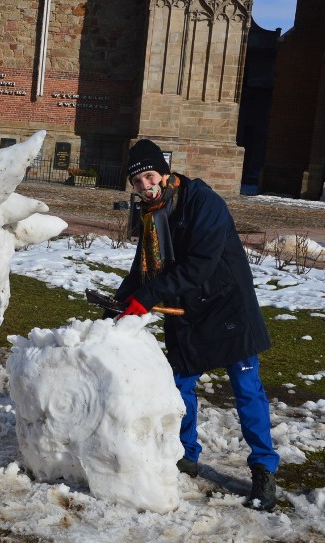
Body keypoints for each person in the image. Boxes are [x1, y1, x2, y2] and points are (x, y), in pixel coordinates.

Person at [114, 139, 279, 511]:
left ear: (165, 173)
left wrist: (150, 295)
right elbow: (143, 265)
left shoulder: (204, 202)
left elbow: (200, 264)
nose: (145, 186)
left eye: (150, 176)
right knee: (180, 386)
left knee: (247, 389)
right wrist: (123, 299)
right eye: (137, 182)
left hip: (228, 306)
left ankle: (264, 469)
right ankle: (185, 454)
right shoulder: (151, 214)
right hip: (186, 310)